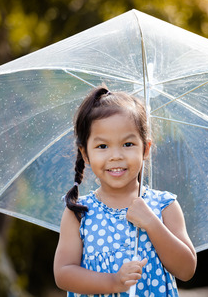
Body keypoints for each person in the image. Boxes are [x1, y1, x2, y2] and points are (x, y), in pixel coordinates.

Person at [54, 86, 197, 296]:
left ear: (145, 149)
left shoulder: (164, 206)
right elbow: (63, 274)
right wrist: (113, 282)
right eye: (102, 146)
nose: (116, 156)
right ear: (85, 154)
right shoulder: (79, 213)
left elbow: (186, 270)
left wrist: (151, 223)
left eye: (128, 144)